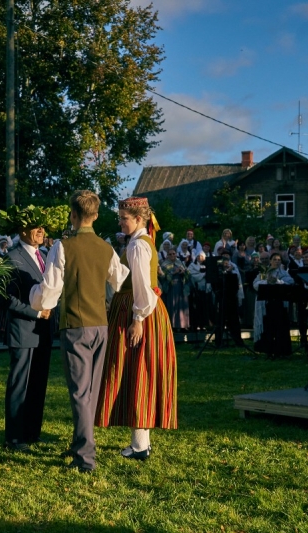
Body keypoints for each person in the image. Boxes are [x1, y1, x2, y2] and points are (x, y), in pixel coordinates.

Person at [30, 190, 129, 473]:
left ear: (73, 215)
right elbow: (119, 279)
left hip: (76, 324)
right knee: (91, 391)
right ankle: (79, 444)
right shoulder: (106, 248)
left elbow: (49, 293)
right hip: (101, 325)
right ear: (96, 216)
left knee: (80, 393)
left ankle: (85, 457)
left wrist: (33, 296)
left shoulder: (62, 247)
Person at [96, 196, 177, 460]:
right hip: (141, 309)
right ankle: (141, 442)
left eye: (124, 219)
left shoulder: (138, 246)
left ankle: (141, 445)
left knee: (137, 370)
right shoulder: (141, 242)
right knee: (139, 371)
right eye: (120, 218)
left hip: (138, 311)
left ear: (139, 219)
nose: (120, 222)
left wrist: (138, 319)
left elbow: (142, 286)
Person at [2, 212, 55, 451]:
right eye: (36, 227)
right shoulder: (12, 257)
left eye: (43, 228)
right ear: (23, 231)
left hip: (43, 331)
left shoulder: (44, 255)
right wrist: (35, 313)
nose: (41, 231)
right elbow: (7, 298)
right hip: (23, 330)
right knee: (20, 384)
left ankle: (33, 432)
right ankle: (14, 436)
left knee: (38, 383)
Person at [252, 252, 294, 358]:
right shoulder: (264, 272)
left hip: (280, 304)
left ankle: (282, 350)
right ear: (270, 261)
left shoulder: (283, 272)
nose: (277, 261)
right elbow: (255, 284)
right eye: (274, 259)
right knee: (268, 327)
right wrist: (267, 282)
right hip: (267, 304)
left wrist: (278, 281)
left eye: (279, 260)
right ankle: (268, 349)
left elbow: (290, 282)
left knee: (281, 327)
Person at [160, 248, 189, 330]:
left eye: (174, 253)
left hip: (181, 286)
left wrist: (184, 273)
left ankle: (183, 326)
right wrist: (174, 272)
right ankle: (172, 326)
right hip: (171, 288)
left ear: (176, 254)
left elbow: (188, 273)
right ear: (167, 255)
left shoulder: (180, 263)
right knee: (172, 306)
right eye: (170, 254)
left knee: (182, 306)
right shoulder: (164, 265)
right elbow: (162, 277)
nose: (172, 255)